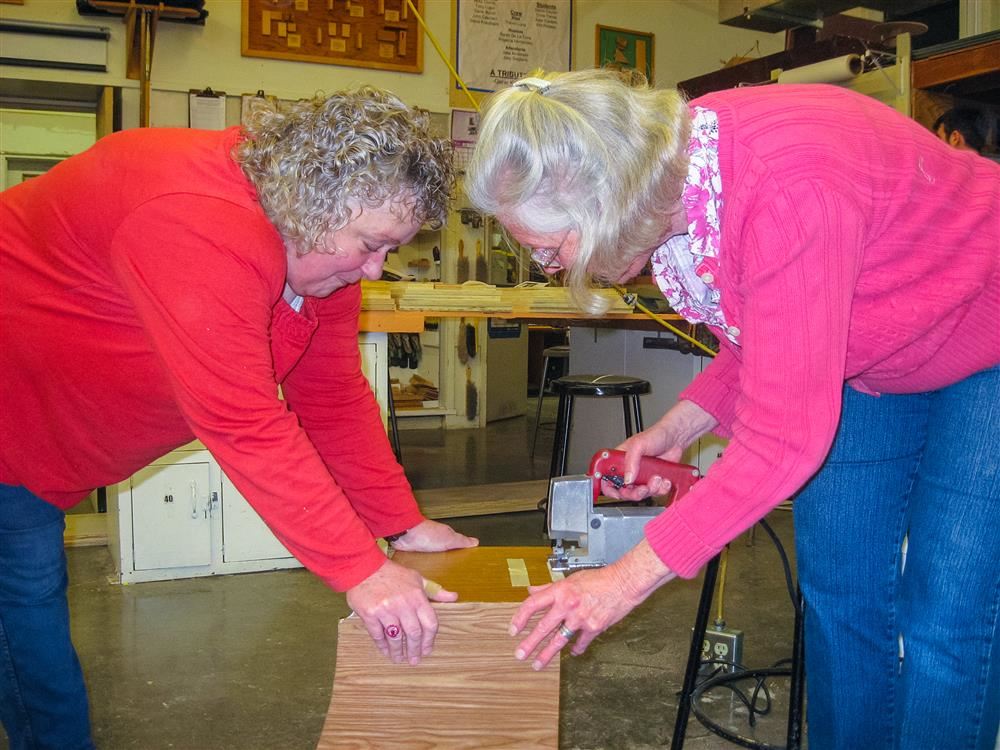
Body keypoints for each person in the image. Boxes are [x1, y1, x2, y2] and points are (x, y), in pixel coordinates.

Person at [466, 69, 999, 749]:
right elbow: (770, 337)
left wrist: (621, 582)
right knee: (841, 597)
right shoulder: (674, 180)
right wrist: (674, 431)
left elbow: (783, 441)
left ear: (604, 202)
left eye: (550, 249)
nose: (550, 267)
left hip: (988, 326)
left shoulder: (781, 187)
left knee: (945, 616)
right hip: (879, 347)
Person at [0, 86, 477, 750]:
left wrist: (402, 522)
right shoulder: (198, 219)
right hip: (9, 433)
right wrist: (362, 571)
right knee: (28, 616)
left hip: (43, 444)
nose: (375, 268)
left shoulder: (322, 259)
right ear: (312, 205)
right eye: (371, 243)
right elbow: (243, 420)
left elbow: (332, 394)